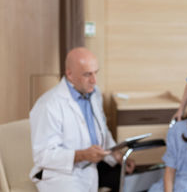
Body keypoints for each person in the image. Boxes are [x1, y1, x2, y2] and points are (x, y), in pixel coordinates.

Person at [29, 47, 135, 192]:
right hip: (61, 173)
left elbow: (101, 129)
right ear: (70, 74)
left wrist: (116, 155)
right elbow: (43, 156)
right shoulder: (48, 105)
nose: (94, 80)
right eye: (87, 75)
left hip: (91, 166)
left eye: (96, 73)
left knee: (130, 182)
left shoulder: (94, 93)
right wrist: (81, 155)